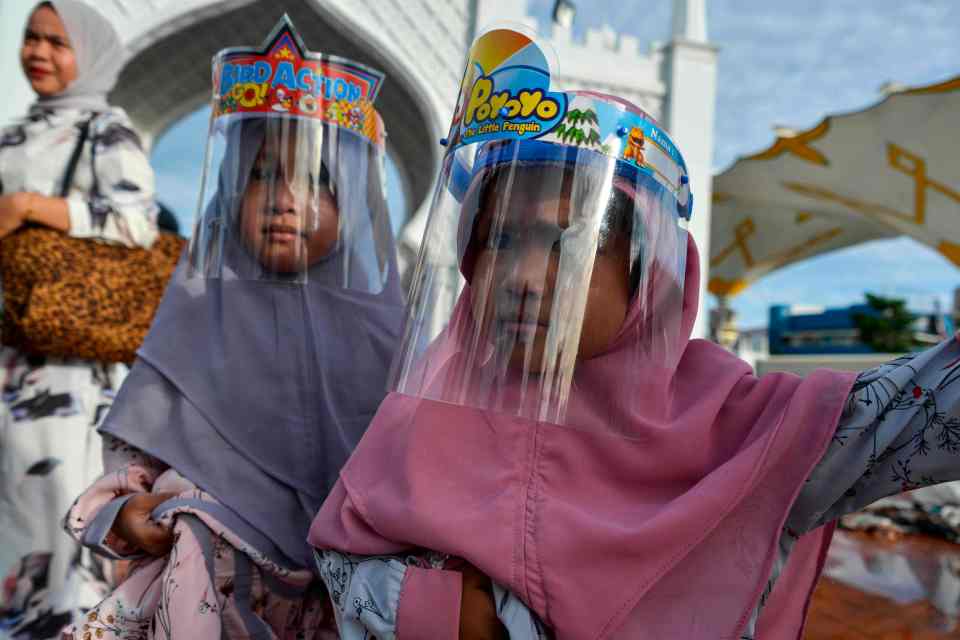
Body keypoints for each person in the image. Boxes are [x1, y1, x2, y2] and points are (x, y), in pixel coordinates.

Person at [308, 28, 960, 638]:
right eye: (501, 239)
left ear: (650, 277)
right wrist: (438, 610)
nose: (523, 277)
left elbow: (921, 413)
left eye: (571, 241)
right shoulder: (428, 413)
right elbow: (342, 553)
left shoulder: (745, 430)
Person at [60, 17, 404, 639]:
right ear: (226, 191)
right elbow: (135, 458)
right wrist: (126, 512)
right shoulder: (197, 316)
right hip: (197, 595)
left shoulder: (385, 341)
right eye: (261, 174)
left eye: (317, 181)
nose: (283, 198)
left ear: (358, 207)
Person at [0, 2, 158, 637]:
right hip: (10, 354)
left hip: (65, 368)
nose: (39, 52)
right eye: (31, 38)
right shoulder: (14, 133)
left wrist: (31, 205)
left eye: (57, 43)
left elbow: (136, 223)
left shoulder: (107, 130)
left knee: (57, 521)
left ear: (88, 55)